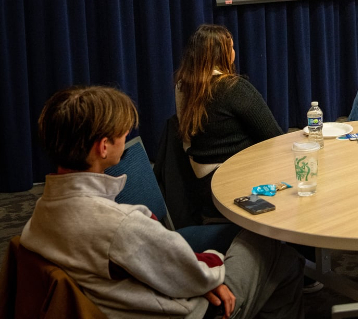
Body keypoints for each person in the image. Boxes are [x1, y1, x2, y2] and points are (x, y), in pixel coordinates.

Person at [21, 86, 304, 319]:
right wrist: (208, 274)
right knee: (271, 241)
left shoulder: (40, 216)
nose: (125, 134)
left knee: (273, 259)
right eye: (121, 131)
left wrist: (189, 275)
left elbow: (169, 268)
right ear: (103, 147)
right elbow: (194, 275)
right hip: (191, 311)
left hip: (129, 296)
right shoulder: (121, 225)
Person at [175, 24, 283, 219]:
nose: (233, 53)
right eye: (231, 48)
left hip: (201, 185)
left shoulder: (182, 87)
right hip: (233, 187)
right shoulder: (234, 88)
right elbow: (274, 137)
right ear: (222, 54)